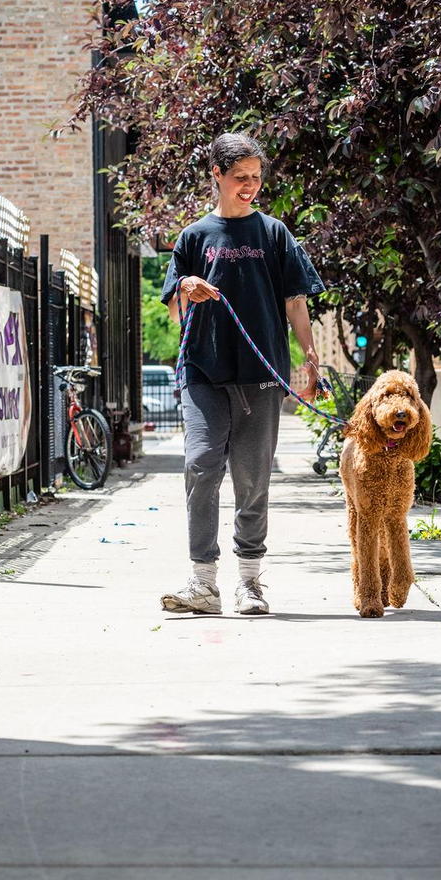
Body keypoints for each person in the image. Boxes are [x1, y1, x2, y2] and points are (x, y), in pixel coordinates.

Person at [159, 133, 325, 616]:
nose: (250, 185)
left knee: (252, 478)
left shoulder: (274, 234)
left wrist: (309, 356)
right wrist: (187, 286)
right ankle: (203, 582)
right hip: (204, 372)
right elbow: (174, 311)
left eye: (256, 177)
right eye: (240, 177)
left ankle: (249, 583)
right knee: (201, 463)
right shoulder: (194, 237)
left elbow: (296, 301)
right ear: (217, 174)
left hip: (261, 372)